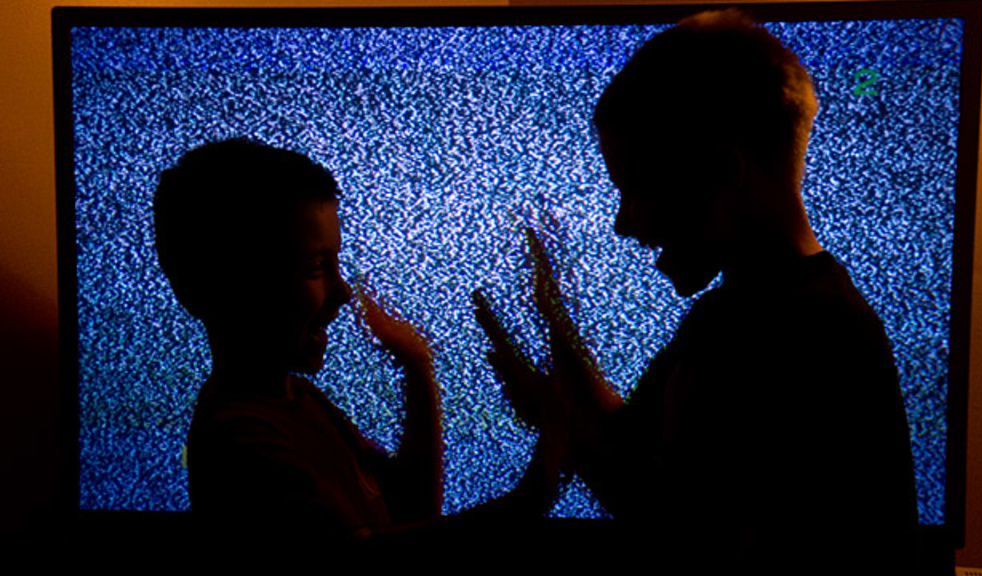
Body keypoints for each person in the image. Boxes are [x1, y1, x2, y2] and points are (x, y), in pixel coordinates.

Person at [474, 10, 919, 569]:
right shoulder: (734, 313)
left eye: (636, 188)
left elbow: (680, 526)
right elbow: (635, 440)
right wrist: (554, 318)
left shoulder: (805, 335)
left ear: (722, 173)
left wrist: (556, 421)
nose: (624, 223)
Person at [153, 139, 442, 544]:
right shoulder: (244, 439)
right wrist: (533, 491)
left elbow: (409, 510)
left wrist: (417, 367)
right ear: (229, 285)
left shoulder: (298, 399)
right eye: (316, 267)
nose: (344, 292)